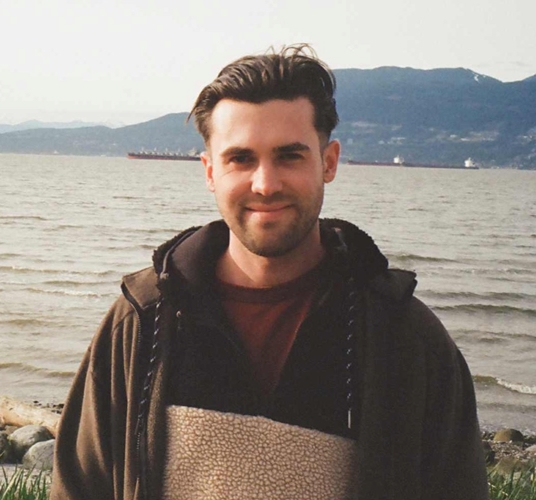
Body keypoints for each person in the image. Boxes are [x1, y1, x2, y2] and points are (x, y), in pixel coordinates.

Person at [51, 45, 489, 500]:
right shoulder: (141, 325)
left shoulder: (404, 339)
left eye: (289, 156)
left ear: (329, 162)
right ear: (210, 171)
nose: (265, 184)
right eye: (240, 158)